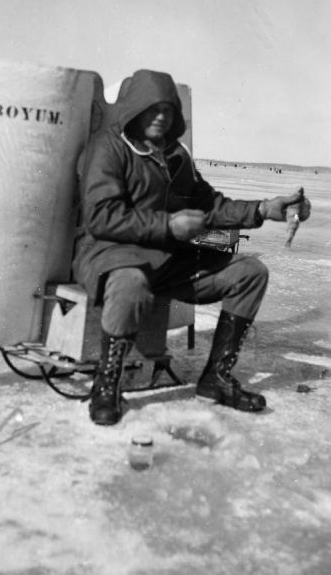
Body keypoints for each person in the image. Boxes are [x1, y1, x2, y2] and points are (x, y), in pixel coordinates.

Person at [73, 69, 310, 426]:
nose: (160, 116)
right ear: (134, 109)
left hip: (167, 261)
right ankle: (106, 384)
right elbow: (101, 217)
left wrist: (264, 209)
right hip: (110, 255)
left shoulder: (176, 156)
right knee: (130, 283)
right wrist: (168, 224)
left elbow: (209, 205)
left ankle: (215, 378)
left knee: (249, 273)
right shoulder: (108, 147)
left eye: (168, 109)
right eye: (152, 108)